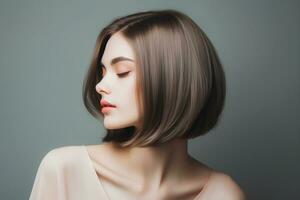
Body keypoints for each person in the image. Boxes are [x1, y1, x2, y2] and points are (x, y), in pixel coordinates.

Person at [29, 9, 246, 200]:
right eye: (102, 73)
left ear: (171, 79)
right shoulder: (64, 170)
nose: (100, 86)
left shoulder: (223, 194)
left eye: (122, 71)